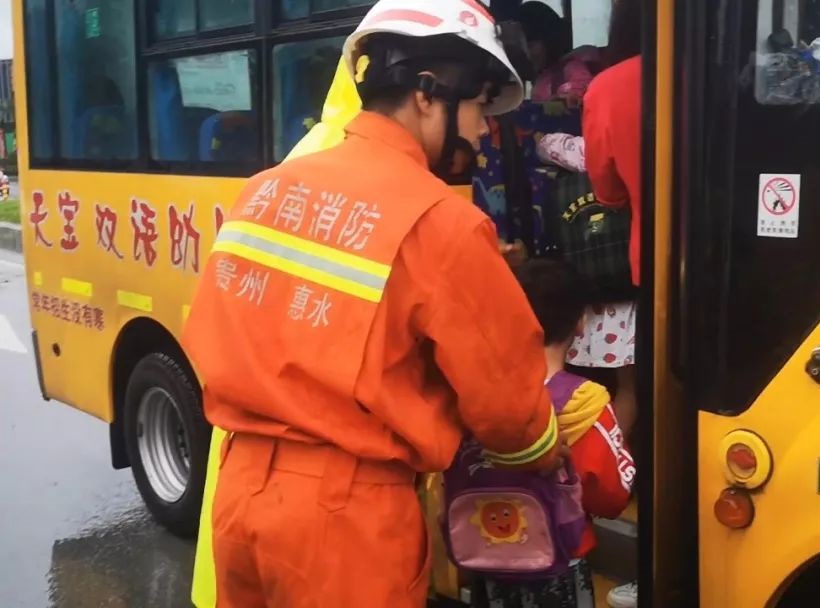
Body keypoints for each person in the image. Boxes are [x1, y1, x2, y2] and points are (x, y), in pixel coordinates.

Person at [180, 1, 567, 606]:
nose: (483, 131)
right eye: (477, 106)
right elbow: (507, 410)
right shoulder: (443, 222)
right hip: (347, 518)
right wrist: (547, 449)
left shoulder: (264, 189)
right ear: (426, 93)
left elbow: (210, 328)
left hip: (238, 496)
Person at [465, 259, 635, 608]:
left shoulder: (474, 394)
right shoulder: (585, 404)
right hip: (558, 559)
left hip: (484, 555)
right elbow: (611, 496)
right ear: (581, 323)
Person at [577, 0, 643, 605]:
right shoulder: (744, 71)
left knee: (634, 384)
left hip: (653, 266)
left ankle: (611, 481)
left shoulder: (610, 87)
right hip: (748, 271)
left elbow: (607, 189)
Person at [519, 1, 603, 105]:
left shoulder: (570, 65)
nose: (526, 53)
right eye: (521, 48)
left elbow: (582, 84)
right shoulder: (540, 79)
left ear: (550, 41)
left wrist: (565, 97)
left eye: (531, 45)